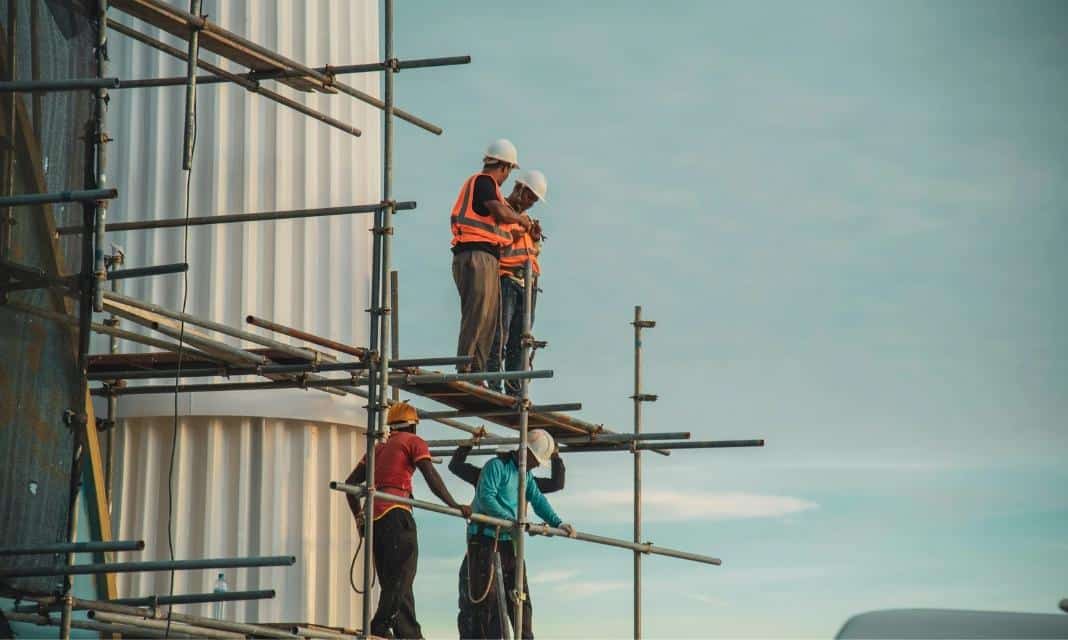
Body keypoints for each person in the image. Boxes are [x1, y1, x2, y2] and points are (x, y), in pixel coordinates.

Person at [344, 402, 471, 639]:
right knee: (404, 574)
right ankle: (379, 625)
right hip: (396, 512)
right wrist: (453, 504)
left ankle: (408, 633)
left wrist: (359, 518)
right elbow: (430, 475)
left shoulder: (378, 449)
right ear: (412, 426)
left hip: (375, 519)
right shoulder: (412, 442)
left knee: (396, 581)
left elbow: (350, 486)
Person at [464, 429, 575, 639]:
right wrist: (511, 521)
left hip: (509, 542)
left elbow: (538, 500)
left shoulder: (526, 476)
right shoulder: (496, 467)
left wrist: (558, 523)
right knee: (488, 600)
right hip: (486, 539)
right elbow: (486, 497)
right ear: (528, 454)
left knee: (520, 599)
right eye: (535, 461)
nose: (535, 465)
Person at [451, 139, 534, 374]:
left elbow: (500, 228)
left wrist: (522, 229)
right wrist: (519, 219)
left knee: (488, 318)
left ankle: (476, 370)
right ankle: (465, 368)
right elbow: (500, 212)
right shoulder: (484, 182)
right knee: (477, 313)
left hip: (484, 256)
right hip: (475, 255)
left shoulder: (490, 191)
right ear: (506, 167)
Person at [487, 169, 548, 394]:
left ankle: (515, 390)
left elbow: (531, 251)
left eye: (534, 199)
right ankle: (494, 385)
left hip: (528, 285)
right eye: (530, 196)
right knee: (499, 336)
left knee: (519, 341)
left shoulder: (526, 220)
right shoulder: (502, 212)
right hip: (506, 280)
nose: (531, 203)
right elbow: (495, 243)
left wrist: (533, 239)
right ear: (520, 188)